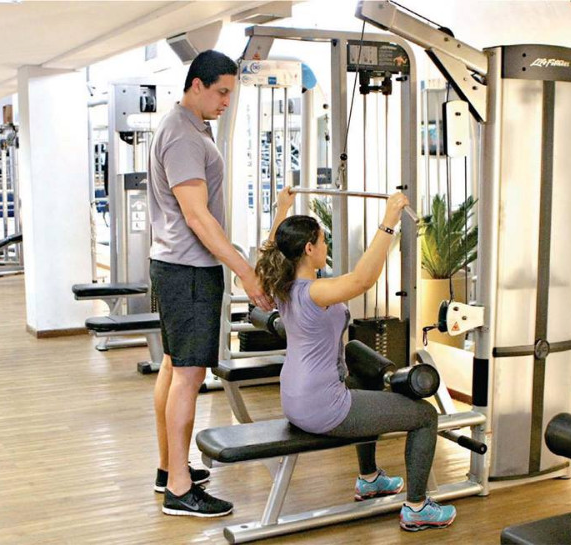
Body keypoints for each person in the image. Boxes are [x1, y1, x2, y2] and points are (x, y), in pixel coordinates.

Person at [255, 187, 456, 532]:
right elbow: (363, 280)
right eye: (322, 241)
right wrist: (389, 222)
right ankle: (417, 507)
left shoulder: (281, 284)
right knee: (425, 415)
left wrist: (282, 209)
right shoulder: (314, 291)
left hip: (294, 399)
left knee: (366, 379)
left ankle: (370, 478)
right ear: (309, 249)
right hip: (322, 405)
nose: (326, 246)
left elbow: (272, 250)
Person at [148, 50, 273, 518]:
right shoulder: (183, 134)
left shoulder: (189, 126)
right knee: (189, 375)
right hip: (189, 269)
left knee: (173, 366)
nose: (226, 101)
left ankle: (170, 469)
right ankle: (180, 490)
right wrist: (244, 269)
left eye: (230, 93)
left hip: (177, 265)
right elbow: (197, 216)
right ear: (196, 85)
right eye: (221, 92)